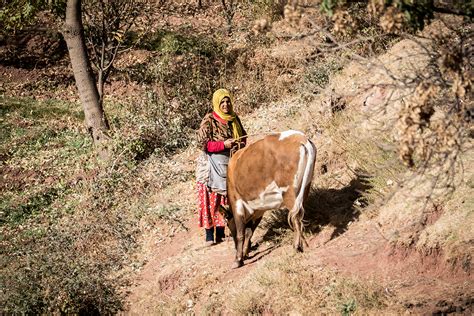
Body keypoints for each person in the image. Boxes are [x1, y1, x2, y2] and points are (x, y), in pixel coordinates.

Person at [196, 88, 247, 246]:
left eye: (228, 101)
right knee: (211, 198)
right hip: (211, 164)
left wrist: (238, 143)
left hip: (230, 162)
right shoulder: (209, 119)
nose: (225, 105)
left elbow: (244, 137)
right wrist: (222, 144)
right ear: (216, 103)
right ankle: (209, 235)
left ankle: (222, 232)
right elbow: (202, 143)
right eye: (222, 102)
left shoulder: (234, 119)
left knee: (226, 198)